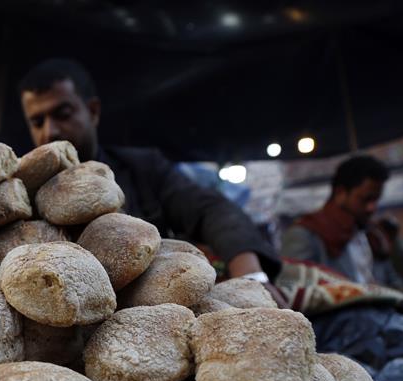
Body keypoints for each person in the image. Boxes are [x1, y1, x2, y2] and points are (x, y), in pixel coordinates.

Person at [17, 58, 281, 286]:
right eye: (37, 122)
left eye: (62, 114)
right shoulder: (22, 194)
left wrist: (251, 274)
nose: (49, 131)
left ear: (93, 111)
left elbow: (210, 210)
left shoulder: (143, 168)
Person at [281, 154, 403, 296]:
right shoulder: (305, 235)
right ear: (341, 192)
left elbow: (394, 284)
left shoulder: (373, 235)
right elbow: (294, 293)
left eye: (376, 200)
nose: (372, 207)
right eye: (366, 199)